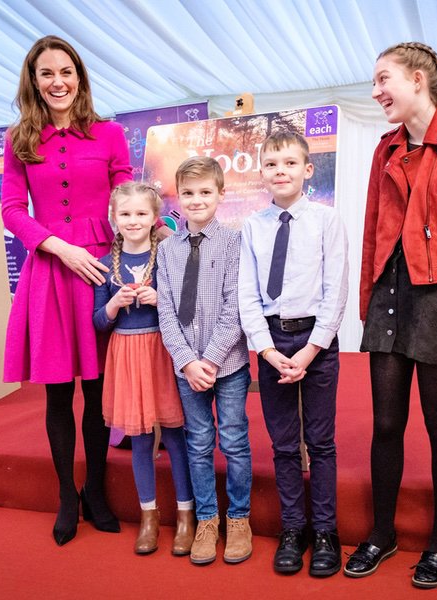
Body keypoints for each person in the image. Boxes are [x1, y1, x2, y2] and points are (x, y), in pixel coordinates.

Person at [345, 42, 437, 588]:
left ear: (416, 79)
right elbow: (370, 235)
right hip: (388, 293)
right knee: (386, 422)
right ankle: (382, 534)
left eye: (384, 79)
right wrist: (365, 302)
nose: (377, 91)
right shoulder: (385, 148)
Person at [1, 35, 131, 546]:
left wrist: (147, 241)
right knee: (58, 392)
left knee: (99, 391)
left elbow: (126, 197)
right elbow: (12, 209)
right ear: (33, 81)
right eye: (47, 73)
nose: (58, 82)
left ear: (80, 77)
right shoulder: (19, 140)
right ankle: (64, 495)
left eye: (66, 72)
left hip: (102, 268)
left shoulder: (110, 133)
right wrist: (57, 245)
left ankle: (95, 490)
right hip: (53, 269)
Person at [238, 131, 348, 577]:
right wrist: (264, 349)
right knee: (284, 445)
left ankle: (325, 531)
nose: (279, 171)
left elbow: (335, 290)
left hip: (316, 344)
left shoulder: (326, 220)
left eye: (289, 163)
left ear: (307, 170)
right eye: (271, 164)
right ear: (261, 172)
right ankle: (292, 528)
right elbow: (247, 292)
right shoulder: (253, 225)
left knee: (320, 442)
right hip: (272, 343)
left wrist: (309, 352)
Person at [157, 157, 253, 566]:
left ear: (220, 195)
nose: (196, 200)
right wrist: (186, 361)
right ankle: (207, 519)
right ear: (178, 198)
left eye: (205, 192)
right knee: (198, 444)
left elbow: (237, 306)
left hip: (227, 363)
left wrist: (210, 359)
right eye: (188, 193)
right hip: (186, 367)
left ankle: (239, 518)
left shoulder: (235, 243)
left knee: (233, 439)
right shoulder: (167, 250)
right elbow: (164, 310)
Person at [94, 182, 195, 556]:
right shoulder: (106, 265)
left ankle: (186, 515)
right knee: (139, 438)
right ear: (114, 219)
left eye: (140, 214)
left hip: (163, 349)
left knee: (174, 433)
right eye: (125, 214)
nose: (132, 220)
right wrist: (115, 305)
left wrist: (159, 299)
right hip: (126, 353)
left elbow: (187, 307)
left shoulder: (168, 254)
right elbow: (99, 322)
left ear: (154, 219)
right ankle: (148, 516)